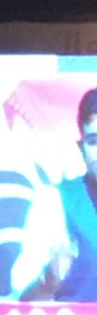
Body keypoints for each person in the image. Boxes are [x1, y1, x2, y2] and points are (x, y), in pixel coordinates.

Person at [11, 87, 97, 301]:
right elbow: (22, 294)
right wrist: (48, 280)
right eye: (94, 142)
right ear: (81, 147)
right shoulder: (55, 201)